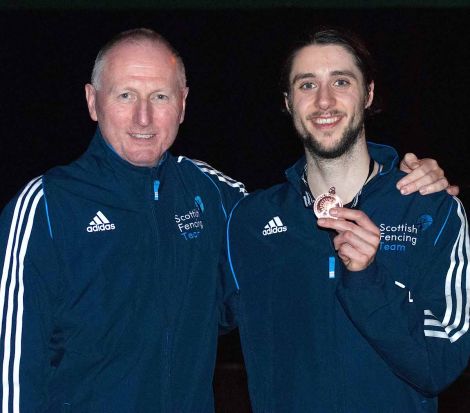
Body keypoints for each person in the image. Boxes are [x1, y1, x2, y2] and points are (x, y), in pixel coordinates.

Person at [0, 27, 457, 412]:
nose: (143, 116)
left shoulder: (216, 199)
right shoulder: (45, 206)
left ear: (182, 104)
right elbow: (12, 371)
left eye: (159, 95)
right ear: (92, 101)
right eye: (125, 95)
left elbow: (287, 238)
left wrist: (418, 183)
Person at [225, 28, 469, 412]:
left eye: (341, 81)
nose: (324, 101)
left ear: (368, 93)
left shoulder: (430, 209)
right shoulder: (249, 221)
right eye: (307, 85)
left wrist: (368, 280)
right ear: (288, 102)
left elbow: (439, 367)